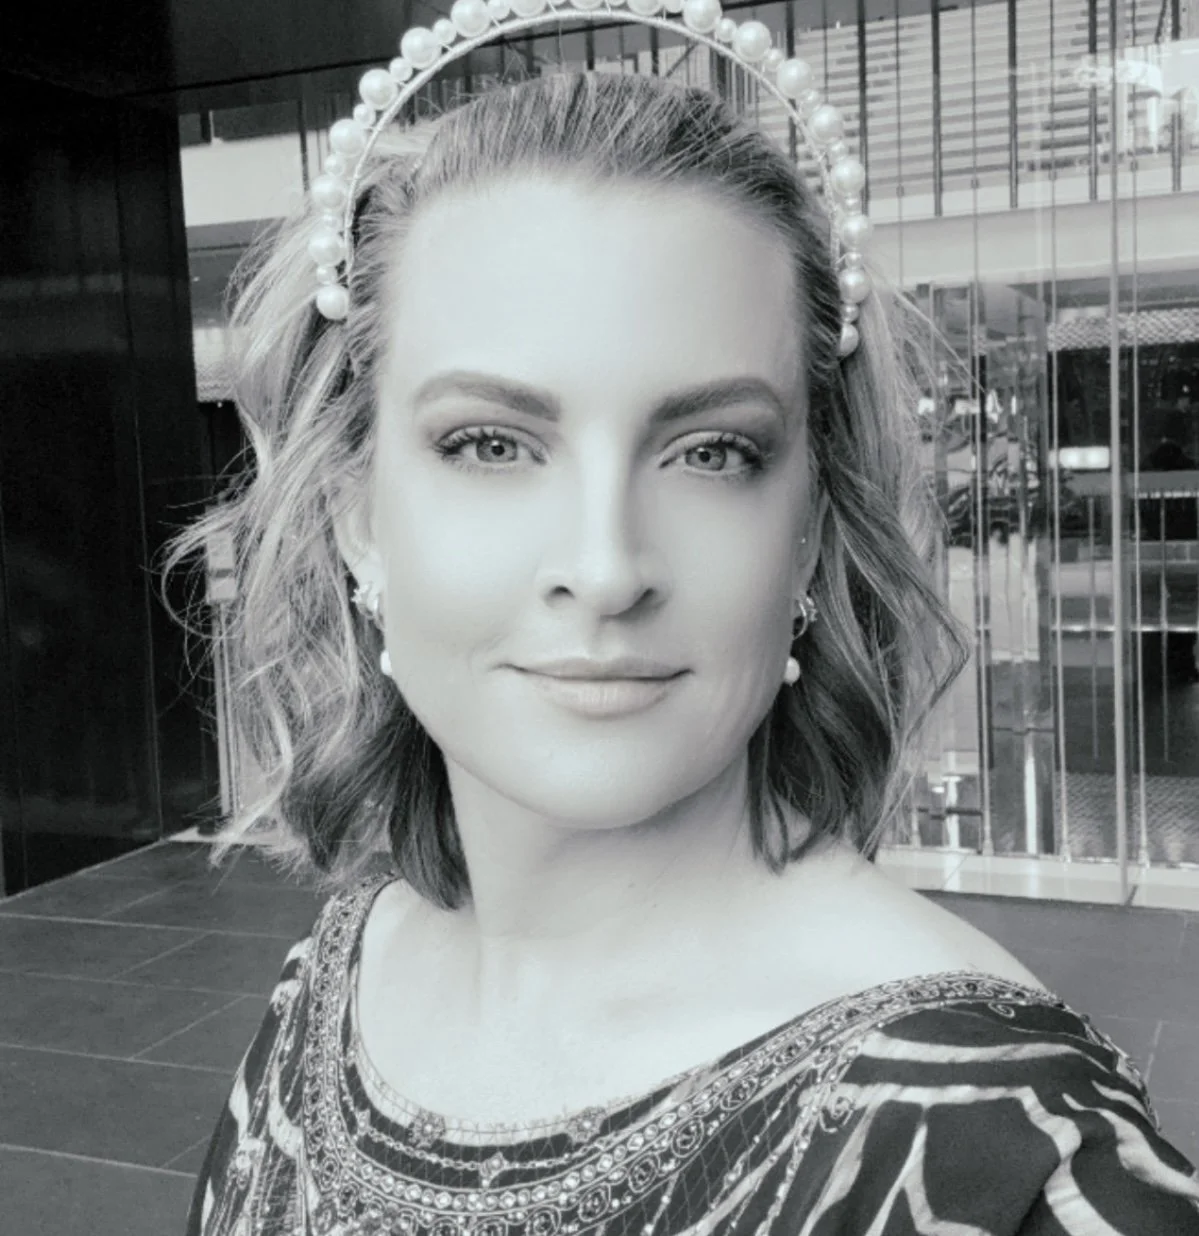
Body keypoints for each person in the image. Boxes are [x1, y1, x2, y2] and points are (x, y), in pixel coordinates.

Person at [171, 22, 1199, 1235]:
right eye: (491, 445)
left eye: (711, 452)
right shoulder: (333, 983)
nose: (605, 569)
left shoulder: (1021, 1157)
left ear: (809, 527)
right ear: (356, 520)